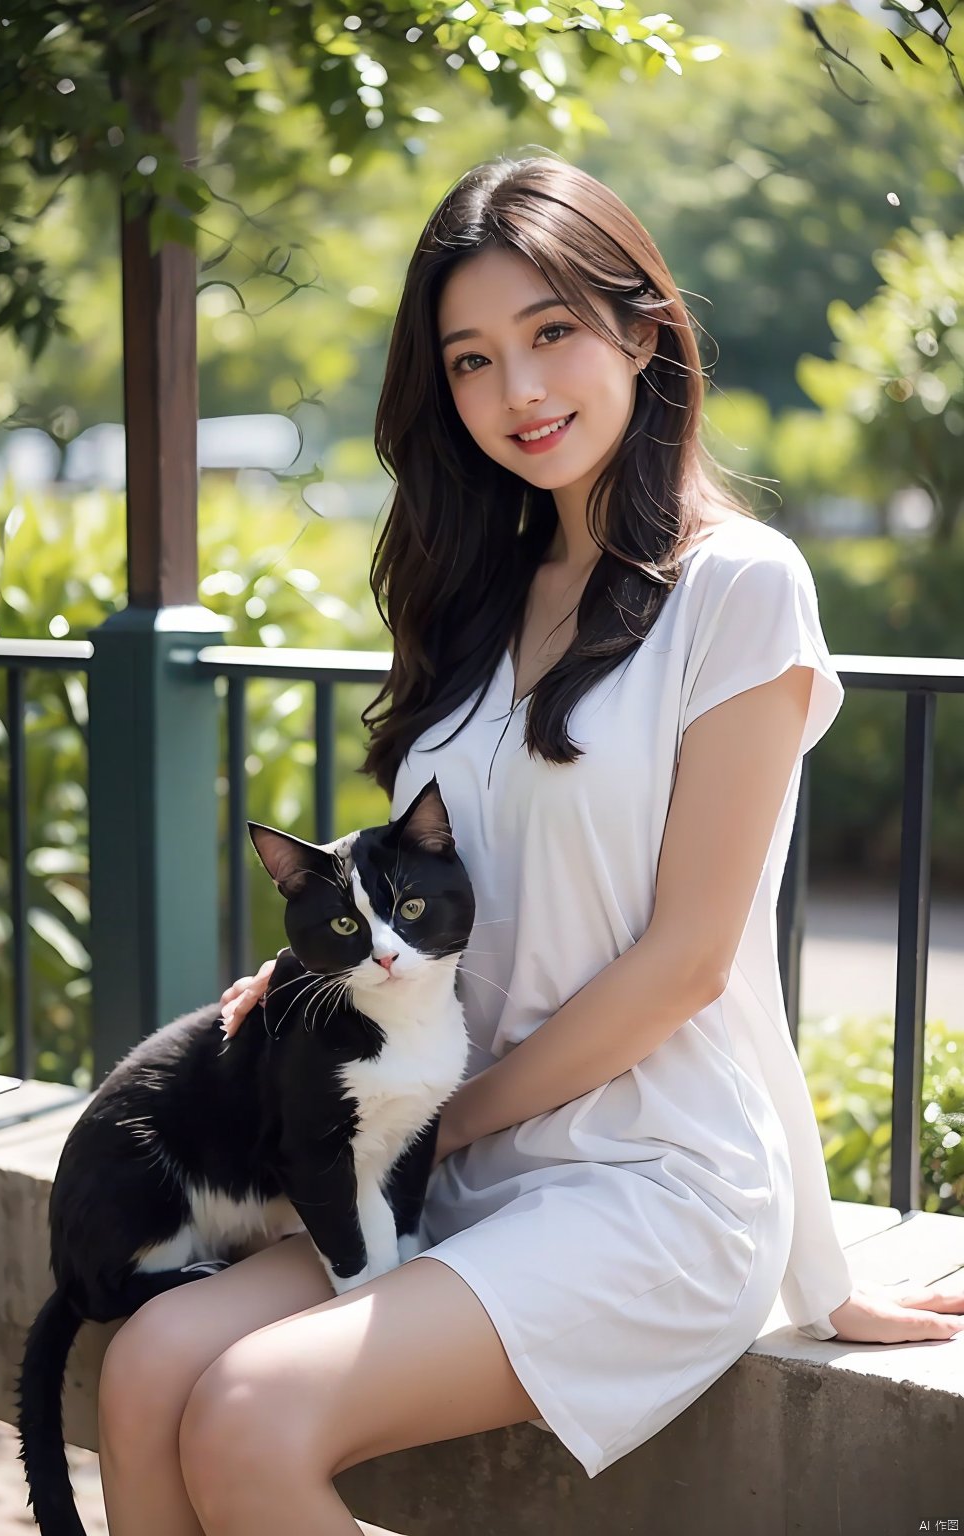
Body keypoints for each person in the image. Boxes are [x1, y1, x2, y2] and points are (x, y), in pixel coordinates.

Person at [96, 153, 964, 1536]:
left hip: (642, 1177)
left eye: (551, 333)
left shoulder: (738, 588)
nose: (519, 392)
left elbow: (698, 964)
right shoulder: (477, 597)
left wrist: (810, 1264)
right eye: (473, 360)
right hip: (446, 1157)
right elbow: (434, 899)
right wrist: (322, 1015)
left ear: (642, 328)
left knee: (249, 1418)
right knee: (144, 1374)